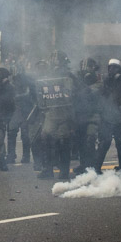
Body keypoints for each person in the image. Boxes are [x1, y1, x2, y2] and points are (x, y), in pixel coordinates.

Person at [36, 53, 77, 181]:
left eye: (57, 60)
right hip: (51, 113)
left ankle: (63, 171)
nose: (55, 63)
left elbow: (74, 93)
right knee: (46, 139)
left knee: (63, 142)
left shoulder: (69, 76)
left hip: (65, 113)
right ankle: (48, 170)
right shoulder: (48, 75)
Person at [92, 59, 121, 172]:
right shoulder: (105, 82)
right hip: (106, 118)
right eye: (110, 67)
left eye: (114, 68)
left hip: (120, 119)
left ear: (119, 70)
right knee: (104, 144)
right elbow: (100, 98)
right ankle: (96, 169)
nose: (111, 70)